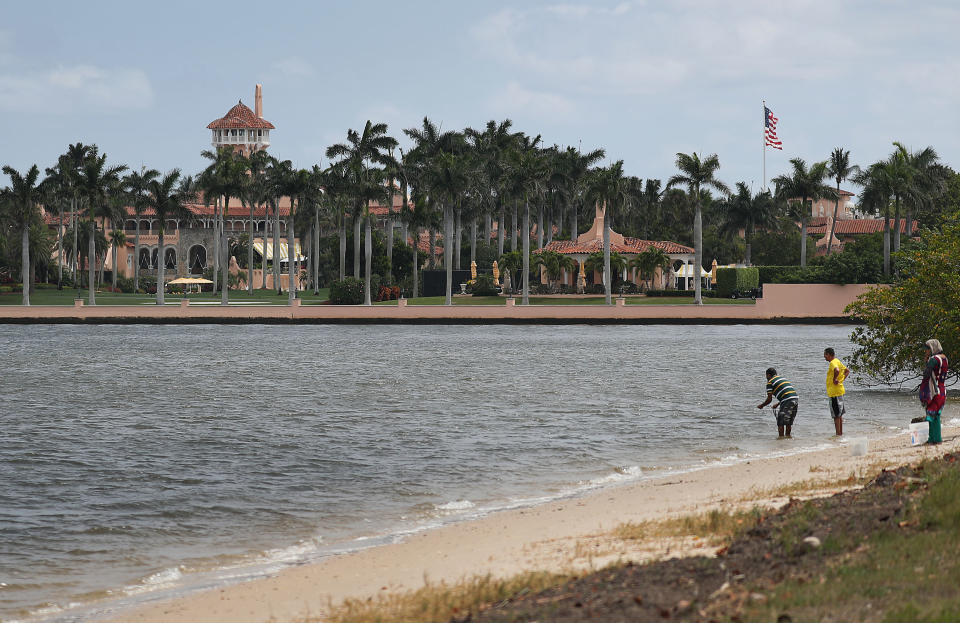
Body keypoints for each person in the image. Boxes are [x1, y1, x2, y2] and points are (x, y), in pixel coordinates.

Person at [918, 339, 948, 445]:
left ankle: (933, 439)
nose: (926, 351)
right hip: (942, 390)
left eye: (927, 349)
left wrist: (923, 392)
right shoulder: (944, 358)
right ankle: (936, 439)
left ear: (932, 348)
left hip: (934, 391)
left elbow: (927, 374)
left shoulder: (934, 359)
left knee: (930, 415)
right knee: (936, 416)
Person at [757, 367, 799, 438]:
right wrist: (778, 403)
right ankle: (788, 438)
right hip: (795, 399)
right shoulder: (782, 378)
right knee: (788, 423)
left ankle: (781, 440)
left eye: (766, 376)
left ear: (768, 375)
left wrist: (762, 405)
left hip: (787, 400)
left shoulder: (770, 382)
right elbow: (787, 393)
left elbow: (769, 399)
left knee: (781, 423)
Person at [823, 347, 849, 436]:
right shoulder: (838, 361)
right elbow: (847, 371)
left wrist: (834, 379)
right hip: (839, 391)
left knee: (836, 416)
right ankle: (840, 434)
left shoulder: (833, 363)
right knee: (839, 414)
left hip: (834, 393)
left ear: (829, 355)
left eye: (825, 355)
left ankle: (838, 434)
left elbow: (837, 370)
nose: (824, 357)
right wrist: (841, 380)